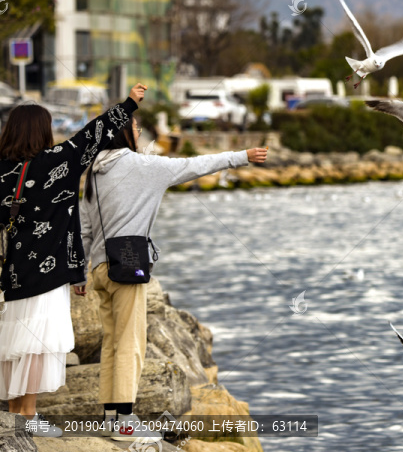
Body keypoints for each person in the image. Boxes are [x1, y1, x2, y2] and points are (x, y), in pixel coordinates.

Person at [80, 115, 267, 443]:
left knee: (111, 342)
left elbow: (84, 226)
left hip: (98, 269)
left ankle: (111, 416)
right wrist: (242, 157)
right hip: (126, 265)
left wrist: (79, 270)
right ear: (125, 134)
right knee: (130, 343)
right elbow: (195, 166)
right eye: (136, 128)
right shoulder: (144, 166)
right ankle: (124, 421)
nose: (139, 133)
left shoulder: (94, 172)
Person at [0, 83, 147, 437]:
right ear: (43, 131)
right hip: (47, 272)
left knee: (16, 341)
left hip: (12, 273)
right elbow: (94, 133)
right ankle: (29, 417)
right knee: (38, 343)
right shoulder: (57, 162)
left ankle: (15, 415)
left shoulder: (2, 172)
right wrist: (129, 103)